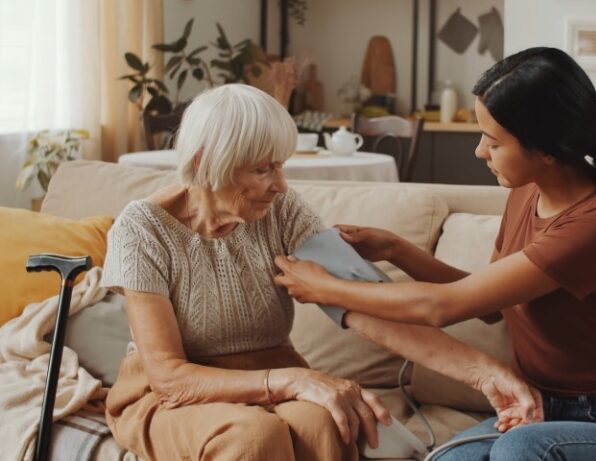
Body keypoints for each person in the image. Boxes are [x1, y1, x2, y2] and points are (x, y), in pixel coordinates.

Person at [274, 47, 596, 460]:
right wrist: (396, 250)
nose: (480, 152)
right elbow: (487, 304)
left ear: (547, 151)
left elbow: (442, 307)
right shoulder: (525, 192)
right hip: (537, 409)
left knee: (518, 450)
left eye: (493, 141)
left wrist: (325, 288)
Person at [101, 84, 392, 461]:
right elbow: (169, 378)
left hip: (271, 371)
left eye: (281, 165)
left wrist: (476, 370)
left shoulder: (282, 209)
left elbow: (362, 299)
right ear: (207, 163)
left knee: (325, 423)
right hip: (174, 394)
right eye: (263, 169)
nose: (281, 185)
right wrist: (288, 379)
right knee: (253, 437)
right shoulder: (142, 228)